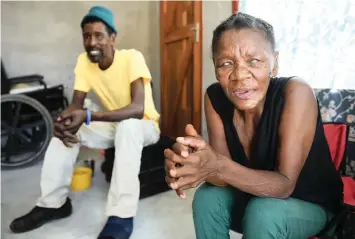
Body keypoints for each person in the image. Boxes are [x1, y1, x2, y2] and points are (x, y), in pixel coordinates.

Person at [164, 12, 343, 239]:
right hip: (252, 194)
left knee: (264, 212)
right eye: (226, 64)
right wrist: (190, 164)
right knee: (207, 197)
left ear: (274, 64)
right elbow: (221, 175)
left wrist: (216, 165)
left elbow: (283, 185)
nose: (239, 75)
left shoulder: (296, 92)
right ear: (215, 67)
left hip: (310, 203)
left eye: (254, 61)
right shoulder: (215, 97)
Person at [10, 6, 160, 239]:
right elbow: (76, 104)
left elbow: (137, 109)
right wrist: (63, 119)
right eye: (87, 36)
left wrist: (89, 116)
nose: (92, 42)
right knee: (67, 128)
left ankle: (121, 216)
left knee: (128, 126)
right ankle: (53, 204)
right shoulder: (84, 62)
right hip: (112, 124)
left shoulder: (132, 58)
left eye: (98, 36)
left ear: (112, 38)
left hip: (144, 125)